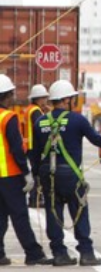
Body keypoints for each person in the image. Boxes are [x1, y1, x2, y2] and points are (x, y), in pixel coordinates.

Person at [33, 80, 101, 267]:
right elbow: (96, 139)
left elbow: (35, 153)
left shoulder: (40, 122)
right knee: (79, 211)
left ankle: (59, 254)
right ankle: (86, 253)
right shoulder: (77, 120)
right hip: (71, 175)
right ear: (66, 100)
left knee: (53, 213)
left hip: (48, 175)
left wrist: (35, 177)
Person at [0, 75, 51, 267]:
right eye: (11, 93)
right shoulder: (8, 117)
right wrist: (26, 172)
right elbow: (16, 148)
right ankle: (33, 253)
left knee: (0, 216)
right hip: (10, 176)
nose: (13, 97)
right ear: (5, 96)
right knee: (20, 215)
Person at [24, 85, 50, 209]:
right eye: (44, 98)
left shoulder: (30, 109)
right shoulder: (35, 111)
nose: (46, 100)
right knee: (37, 173)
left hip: (30, 146)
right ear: (39, 99)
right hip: (35, 146)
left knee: (35, 172)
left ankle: (34, 198)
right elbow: (41, 127)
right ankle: (35, 198)